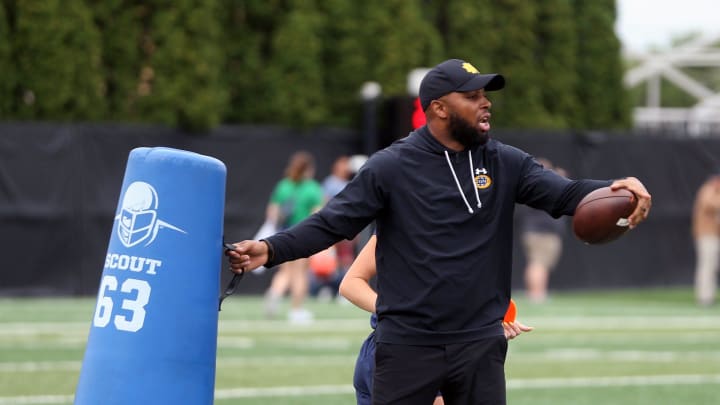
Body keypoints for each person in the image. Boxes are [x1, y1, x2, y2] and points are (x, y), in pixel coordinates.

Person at [227, 58, 652, 404]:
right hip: (408, 344)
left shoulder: (506, 161)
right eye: (471, 97)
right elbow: (332, 223)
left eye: (485, 95)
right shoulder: (391, 166)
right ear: (438, 108)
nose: (485, 104)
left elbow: (568, 195)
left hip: (481, 344)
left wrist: (619, 188)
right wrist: (271, 249)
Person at [340, 235, 533, 405]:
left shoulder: (473, 227)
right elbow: (351, 283)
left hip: (446, 346)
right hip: (406, 349)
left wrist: (483, 328)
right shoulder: (403, 218)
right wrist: (398, 313)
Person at [262, 151, 324, 323]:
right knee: (300, 274)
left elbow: (272, 211)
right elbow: (317, 214)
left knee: (285, 271)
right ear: (309, 169)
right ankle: (296, 310)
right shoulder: (313, 188)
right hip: (303, 235)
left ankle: (275, 293)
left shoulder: (284, 185)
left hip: (282, 234)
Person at [516, 158, 569, 303]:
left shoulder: (531, 185)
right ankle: (536, 294)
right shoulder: (535, 186)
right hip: (540, 233)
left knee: (539, 263)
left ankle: (538, 292)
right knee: (538, 263)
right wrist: (559, 177)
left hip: (538, 232)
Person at [692, 173, 720, 307]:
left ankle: (709, 296)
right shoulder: (708, 190)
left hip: (714, 235)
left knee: (712, 266)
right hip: (707, 235)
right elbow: (710, 204)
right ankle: (704, 297)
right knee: (707, 266)